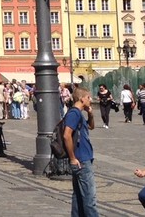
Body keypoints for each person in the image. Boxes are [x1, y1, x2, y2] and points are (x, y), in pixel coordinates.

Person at [63, 86, 98, 217]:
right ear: (82, 98)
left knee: (78, 197)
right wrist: (72, 158)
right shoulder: (74, 113)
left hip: (82, 159)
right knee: (90, 198)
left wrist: (90, 114)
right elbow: (67, 135)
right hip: (81, 160)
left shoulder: (79, 113)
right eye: (89, 97)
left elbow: (91, 126)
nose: (91, 99)